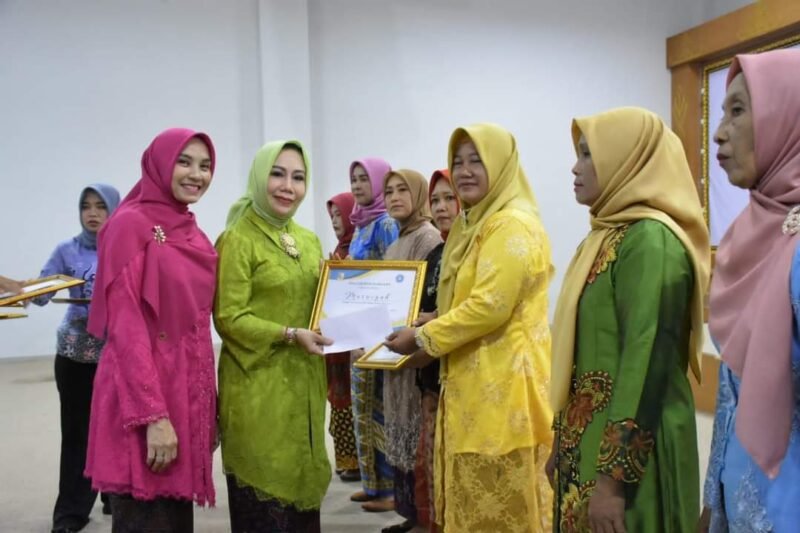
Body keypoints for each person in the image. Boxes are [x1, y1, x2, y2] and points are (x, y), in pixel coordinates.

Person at [385, 123, 554, 532]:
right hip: (468, 386)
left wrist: (423, 336)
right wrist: (434, 318)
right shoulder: (473, 223)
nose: (463, 171)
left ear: (500, 164)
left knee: (501, 507)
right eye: (457, 161)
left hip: (504, 393)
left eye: (476, 160)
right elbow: (469, 299)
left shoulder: (510, 224)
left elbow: (490, 306)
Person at [548, 107, 710, 532]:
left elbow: (645, 362)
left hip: (633, 462)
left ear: (626, 159)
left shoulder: (651, 242)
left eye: (588, 154)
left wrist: (613, 482)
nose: (575, 167)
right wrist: (561, 441)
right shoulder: (603, 236)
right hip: (590, 440)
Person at [85, 128, 218, 532]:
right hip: (142, 401)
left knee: (174, 520)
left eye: (206, 166)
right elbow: (126, 330)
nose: (196, 174)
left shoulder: (190, 229)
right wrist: (153, 417)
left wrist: (205, 410)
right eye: (184, 162)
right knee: (146, 518)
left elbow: (196, 329)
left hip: (181, 395)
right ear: (159, 164)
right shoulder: (129, 225)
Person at [701, 49, 800, 533]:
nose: (719, 132)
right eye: (722, 112)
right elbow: (730, 392)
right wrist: (711, 497)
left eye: (737, 110)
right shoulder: (749, 233)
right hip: (737, 499)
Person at [215, 140, 333, 533]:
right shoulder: (237, 239)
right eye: (277, 174)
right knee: (265, 493)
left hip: (306, 382)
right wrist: (288, 334)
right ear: (259, 176)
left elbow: (319, 305)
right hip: (257, 387)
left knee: (303, 482)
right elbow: (229, 317)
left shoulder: (308, 239)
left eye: (298, 178)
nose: (288, 186)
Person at [33, 184, 119, 533]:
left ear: (115, 210)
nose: (93, 213)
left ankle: (114, 495)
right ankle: (70, 513)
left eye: (101, 206)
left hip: (116, 355)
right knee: (77, 435)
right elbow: (41, 293)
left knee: (117, 430)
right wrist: (26, 290)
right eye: (86, 206)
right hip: (74, 355)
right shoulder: (66, 250)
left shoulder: (125, 248)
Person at [381, 169, 442, 532]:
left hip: (414, 347)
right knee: (399, 424)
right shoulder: (395, 242)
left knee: (416, 429)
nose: (394, 197)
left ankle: (423, 519)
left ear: (418, 195)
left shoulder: (427, 237)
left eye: (403, 189)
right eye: (388, 191)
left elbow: (422, 298)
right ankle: (411, 515)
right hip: (393, 344)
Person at [347, 157, 399, 511]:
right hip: (357, 330)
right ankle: (372, 484)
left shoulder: (386, 225)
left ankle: (390, 488)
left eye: (364, 178)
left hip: (380, 332)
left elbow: (393, 281)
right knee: (362, 408)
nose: (357, 185)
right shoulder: (360, 224)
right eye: (353, 179)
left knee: (380, 409)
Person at [413, 169, 459, 533]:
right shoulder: (436, 253)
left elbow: (472, 309)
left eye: (449, 198)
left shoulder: (473, 248)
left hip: (460, 376)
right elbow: (416, 307)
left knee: (456, 466)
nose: (441, 207)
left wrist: (433, 320)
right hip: (429, 371)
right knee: (432, 460)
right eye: (436, 200)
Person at [325, 192, 361, 483]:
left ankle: (356, 461)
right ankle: (345, 457)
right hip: (336, 337)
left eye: (340, 214)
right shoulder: (339, 250)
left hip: (354, 336)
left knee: (349, 394)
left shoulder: (358, 248)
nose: (336, 221)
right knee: (337, 393)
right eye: (332, 216)